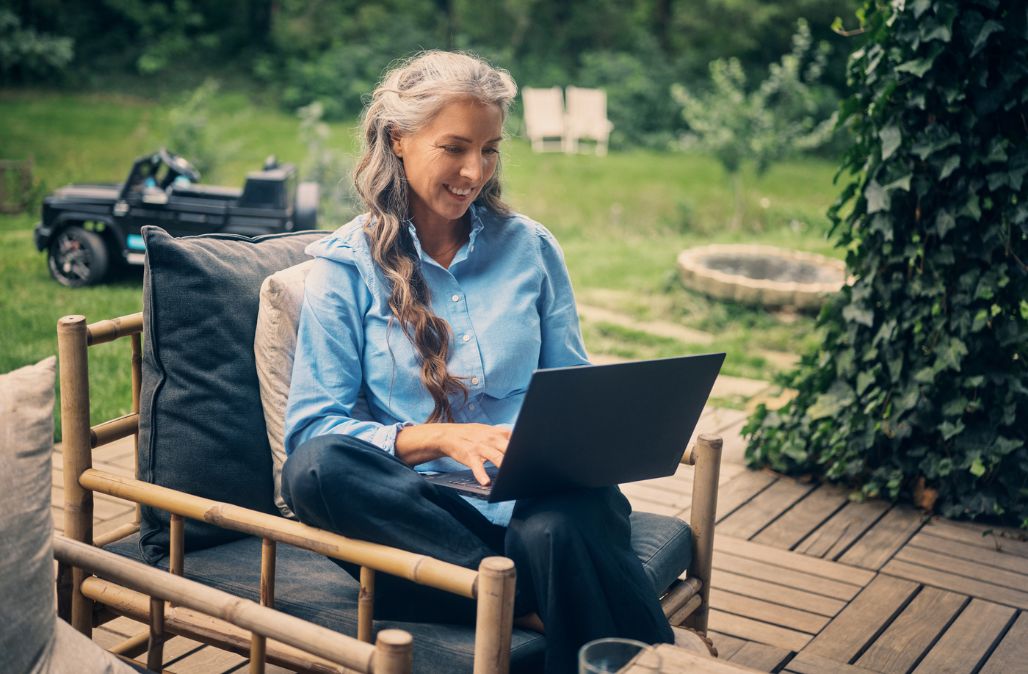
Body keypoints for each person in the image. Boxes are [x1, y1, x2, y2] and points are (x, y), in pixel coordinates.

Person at [281, 50, 674, 672]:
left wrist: (604, 434)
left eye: (490, 149)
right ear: (399, 140)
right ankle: (542, 609)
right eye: (455, 147)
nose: (475, 171)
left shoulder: (531, 249)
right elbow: (312, 429)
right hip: (423, 517)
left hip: (542, 499)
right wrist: (441, 437)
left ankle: (542, 614)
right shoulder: (346, 267)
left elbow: (571, 386)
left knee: (559, 527)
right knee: (314, 469)